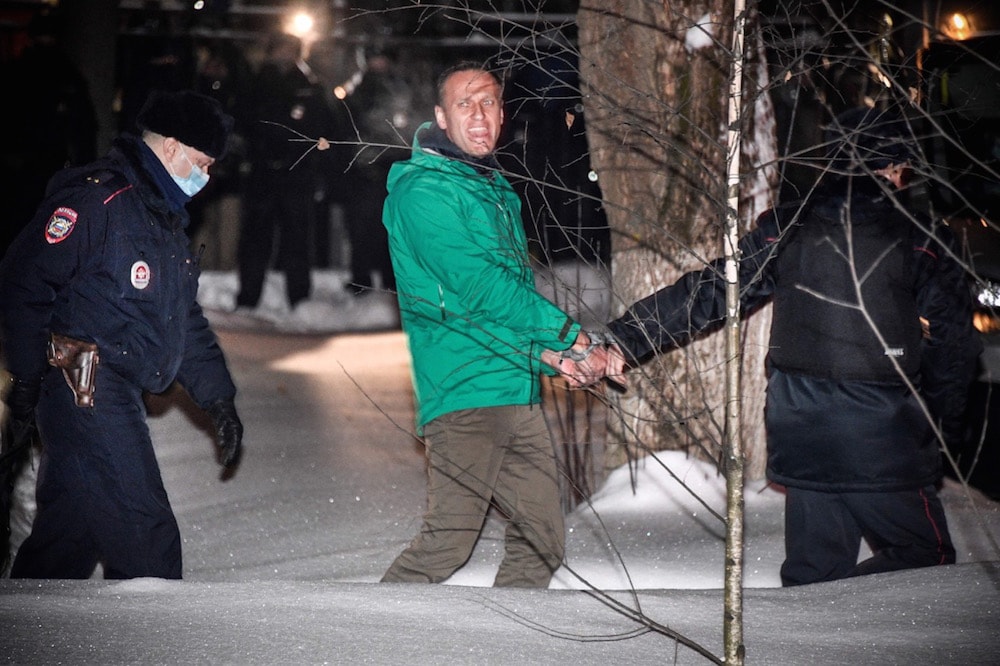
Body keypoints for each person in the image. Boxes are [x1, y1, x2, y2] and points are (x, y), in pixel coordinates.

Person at [598, 107, 980, 586]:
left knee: (815, 575)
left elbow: (712, 291)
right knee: (927, 561)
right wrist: (942, 424)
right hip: (884, 437)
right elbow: (956, 344)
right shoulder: (919, 235)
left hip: (800, 427)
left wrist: (626, 338)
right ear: (897, 167)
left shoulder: (788, 224)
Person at [0, 89, 244, 580]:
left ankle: (34, 630)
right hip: (83, 384)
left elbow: (182, 317)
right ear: (171, 147)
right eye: (203, 162)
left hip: (113, 388)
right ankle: (155, 642)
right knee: (144, 533)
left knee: (70, 536)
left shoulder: (162, 215)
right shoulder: (99, 199)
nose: (207, 177)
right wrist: (25, 378)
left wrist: (217, 397)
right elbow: (23, 280)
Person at [379, 62, 606, 588]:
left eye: (489, 103)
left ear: (503, 115)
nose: (479, 115)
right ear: (440, 115)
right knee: (448, 543)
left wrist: (545, 357)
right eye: (465, 103)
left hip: (513, 389)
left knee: (541, 539)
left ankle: (505, 642)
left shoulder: (491, 189)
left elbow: (486, 312)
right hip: (464, 394)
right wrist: (570, 336)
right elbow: (482, 287)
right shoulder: (425, 192)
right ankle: (376, 637)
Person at [235, 33, 337, 312]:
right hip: (263, 173)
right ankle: (248, 299)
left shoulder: (308, 85)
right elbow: (243, 121)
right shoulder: (256, 84)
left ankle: (300, 299)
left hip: (296, 173)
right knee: (256, 240)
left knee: (297, 240)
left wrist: (313, 161)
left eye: (290, 50)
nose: (284, 55)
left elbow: (322, 125)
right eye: (280, 49)